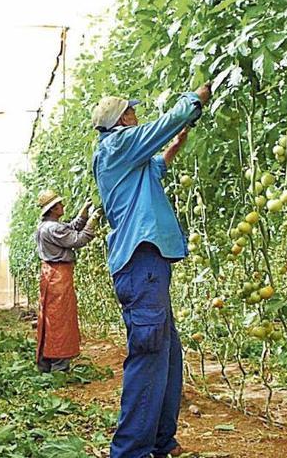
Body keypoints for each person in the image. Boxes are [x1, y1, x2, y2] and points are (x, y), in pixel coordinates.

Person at [91, 83, 212, 458]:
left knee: (167, 354)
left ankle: (160, 441)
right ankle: (130, 451)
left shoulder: (130, 159)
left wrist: (175, 144)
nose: (136, 115)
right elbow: (162, 125)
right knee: (148, 353)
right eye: (132, 111)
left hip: (149, 264)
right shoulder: (117, 145)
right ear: (123, 118)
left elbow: (157, 163)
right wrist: (194, 100)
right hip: (140, 262)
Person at [34, 189, 99, 373]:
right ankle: (59, 366)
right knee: (60, 319)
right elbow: (77, 240)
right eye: (60, 204)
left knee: (48, 317)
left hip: (50, 274)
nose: (63, 206)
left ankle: (45, 363)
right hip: (59, 276)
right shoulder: (53, 228)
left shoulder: (45, 226)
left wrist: (83, 212)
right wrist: (92, 222)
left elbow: (69, 229)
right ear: (53, 209)